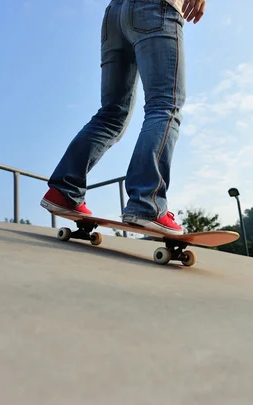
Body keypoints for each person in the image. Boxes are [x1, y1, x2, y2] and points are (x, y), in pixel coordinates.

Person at [40, 0, 206, 236]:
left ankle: (65, 190)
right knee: (165, 106)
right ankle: (147, 203)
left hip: (115, 14)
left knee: (112, 113)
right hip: (157, 9)